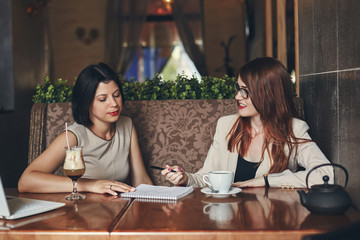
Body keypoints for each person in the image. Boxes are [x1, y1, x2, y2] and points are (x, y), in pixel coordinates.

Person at [161, 57, 333, 188]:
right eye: (238, 89)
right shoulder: (226, 125)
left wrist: (265, 181)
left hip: (271, 221)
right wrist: (185, 179)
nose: (237, 97)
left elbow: (326, 174)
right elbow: (206, 177)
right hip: (228, 218)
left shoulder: (293, 129)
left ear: (268, 94)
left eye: (245, 92)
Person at [18, 63, 152, 195]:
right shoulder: (73, 136)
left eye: (116, 95)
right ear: (87, 104)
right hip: (80, 210)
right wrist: (90, 184)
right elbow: (26, 182)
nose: (114, 104)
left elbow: (141, 179)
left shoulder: (127, 125)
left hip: (117, 209)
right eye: (102, 99)